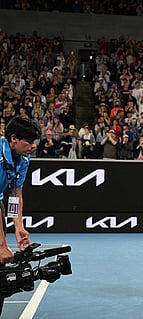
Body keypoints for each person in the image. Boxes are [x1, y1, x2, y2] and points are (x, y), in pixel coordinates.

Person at [0, 118, 41, 315]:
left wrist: (18, 226)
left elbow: (15, 194)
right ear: (13, 138)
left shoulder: (23, 159)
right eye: (29, 141)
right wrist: (1, 244)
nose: (33, 146)